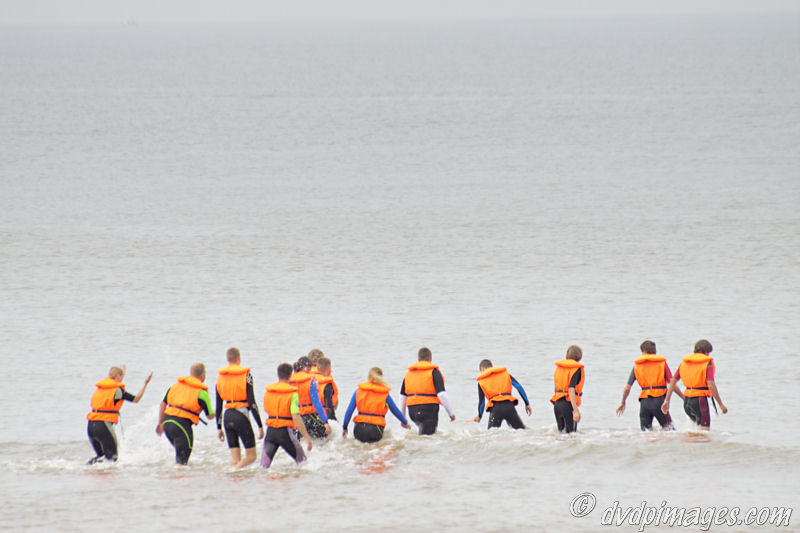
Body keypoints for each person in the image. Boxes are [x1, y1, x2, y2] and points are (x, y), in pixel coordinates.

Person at [87, 365, 152, 464]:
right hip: (103, 426)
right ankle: (110, 479)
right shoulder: (118, 390)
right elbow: (136, 399)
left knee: (101, 458)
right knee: (113, 459)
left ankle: (89, 473)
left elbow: (115, 385)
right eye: (121, 377)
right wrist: (146, 384)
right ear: (118, 376)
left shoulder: (100, 389)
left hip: (91, 426)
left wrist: (122, 373)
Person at [661, 339, 728, 430]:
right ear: (705, 352)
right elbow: (711, 384)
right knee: (704, 432)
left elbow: (673, 381)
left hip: (687, 402)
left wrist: (666, 401)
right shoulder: (707, 363)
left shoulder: (685, 362)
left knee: (694, 430)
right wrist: (720, 404)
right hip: (700, 400)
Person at [156, 363, 215, 465]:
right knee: (182, 463)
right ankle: (178, 480)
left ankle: (169, 478)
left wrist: (160, 423)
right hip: (181, 426)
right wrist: (218, 411)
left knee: (179, 459)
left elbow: (163, 403)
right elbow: (210, 416)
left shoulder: (175, 386)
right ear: (203, 376)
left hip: (167, 424)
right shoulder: (202, 393)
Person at [616, 340, 682, 430]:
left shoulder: (637, 366)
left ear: (643, 352)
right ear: (654, 352)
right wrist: (683, 397)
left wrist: (623, 402)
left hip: (644, 403)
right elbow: (672, 383)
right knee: (670, 431)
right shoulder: (661, 364)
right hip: (659, 401)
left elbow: (627, 387)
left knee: (646, 434)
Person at [216, 347, 264, 468]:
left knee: (235, 458)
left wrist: (218, 427)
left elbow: (218, 405)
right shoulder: (247, 376)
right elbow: (252, 403)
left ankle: (231, 479)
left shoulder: (220, 377)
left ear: (228, 359)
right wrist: (260, 425)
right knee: (251, 456)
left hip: (227, 416)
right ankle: (233, 472)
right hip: (240, 416)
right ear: (239, 359)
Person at [261, 363, 313, 468]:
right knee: (304, 464)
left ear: (278, 375)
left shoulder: (269, 392)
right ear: (290, 375)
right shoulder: (292, 394)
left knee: (263, 467)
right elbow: (295, 416)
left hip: (270, 432)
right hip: (285, 432)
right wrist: (307, 438)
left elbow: (266, 409)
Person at [342, 367, 410, 443]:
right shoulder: (384, 394)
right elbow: (395, 410)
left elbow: (349, 411)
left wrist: (345, 427)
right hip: (375, 429)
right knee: (375, 451)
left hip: (359, 429)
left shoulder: (358, 391)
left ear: (368, 377)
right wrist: (405, 422)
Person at [399, 347, 456, 435]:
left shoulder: (408, 374)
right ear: (430, 359)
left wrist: (403, 419)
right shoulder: (434, 372)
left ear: (418, 359)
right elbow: (441, 394)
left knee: (423, 434)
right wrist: (451, 413)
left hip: (412, 412)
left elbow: (402, 397)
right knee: (428, 439)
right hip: (428, 410)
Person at [472, 359, 531, 429]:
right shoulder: (505, 374)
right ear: (492, 367)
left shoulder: (481, 381)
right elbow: (519, 387)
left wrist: (479, 416)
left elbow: (482, 403)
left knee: (491, 435)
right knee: (521, 431)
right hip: (509, 407)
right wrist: (527, 403)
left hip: (495, 409)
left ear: (482, 369)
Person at [290, 356, 332, 439]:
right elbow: (316, 402)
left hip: (296, 417)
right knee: (326, 437)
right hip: (310, 416)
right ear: (307, 368)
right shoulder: (310, 381)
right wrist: (325, 422)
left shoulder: (289, 381)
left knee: (297, 441)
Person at [550, 345, 584, 433]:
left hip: (557, 405)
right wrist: (576, 411)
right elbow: (571, 389)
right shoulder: (576, 369)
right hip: (567, 405)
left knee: (561, 434)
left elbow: (556, 387)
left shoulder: (559, 368)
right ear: (579, 356)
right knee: (571, 436)